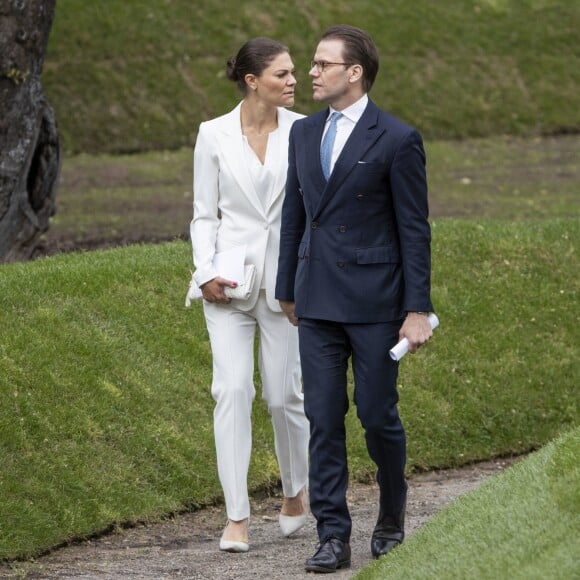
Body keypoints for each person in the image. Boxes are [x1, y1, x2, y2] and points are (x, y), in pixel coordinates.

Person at [275, 25, 434, 573]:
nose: (311, 72)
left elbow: (414, 230)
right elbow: (294, 215)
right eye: (312, 64)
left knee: (376, 415)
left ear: (354, 72)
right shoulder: (302, 134)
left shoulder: (396, 138)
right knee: (322, 416)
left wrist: (417, 310)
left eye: (322, 64)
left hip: (375, 303)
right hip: (316, 301)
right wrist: (286, 289)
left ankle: (391, 518)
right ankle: (332, 535)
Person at [189, 37, 309, 553]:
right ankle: (236, 516)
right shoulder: (212, 134)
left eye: (294, 73)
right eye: (283, 74)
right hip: (228, 287)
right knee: (232, 391)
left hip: (287, 291)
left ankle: (295, 490)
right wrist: (203, 273)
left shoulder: (306, 130)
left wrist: (307, 278)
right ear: (252, 80)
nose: (294, 81)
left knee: (284, 398)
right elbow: (203, 214)